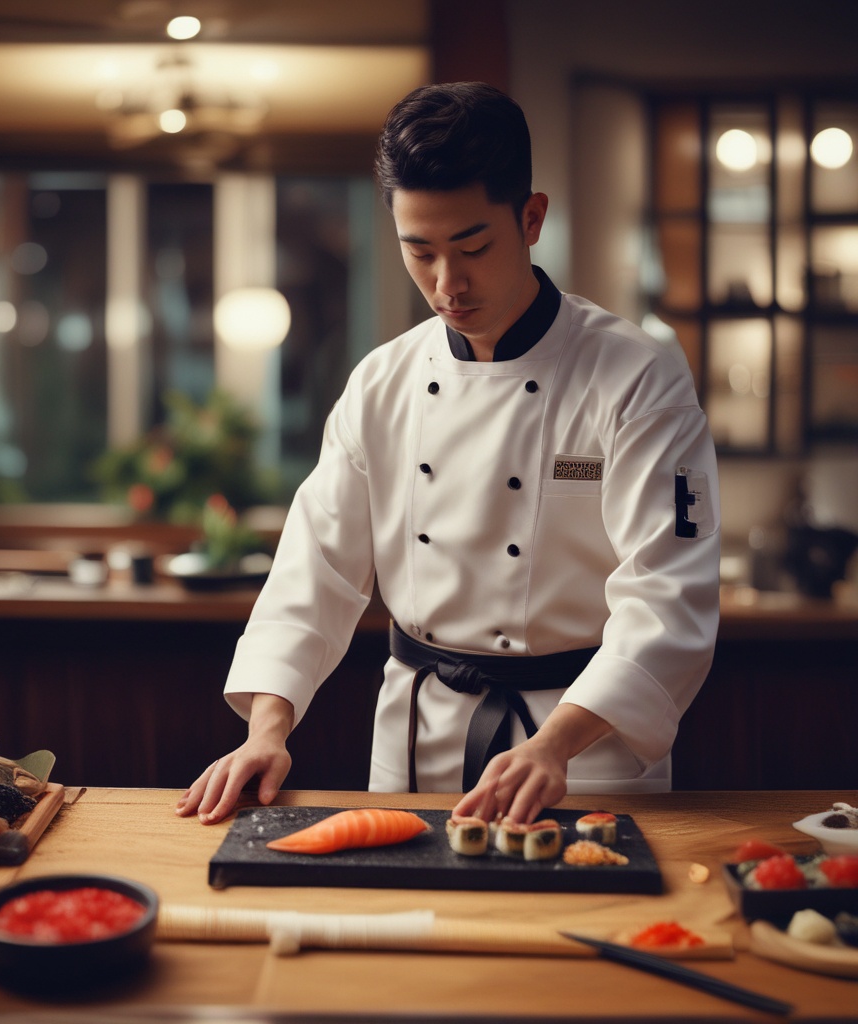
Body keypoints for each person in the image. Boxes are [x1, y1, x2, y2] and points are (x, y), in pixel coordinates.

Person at [176, 82, 720, 828]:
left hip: (585, 746)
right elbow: (314, 573)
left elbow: (669, 595)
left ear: (531, 218)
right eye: (419, 250)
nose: (447, 284)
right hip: (416, 739)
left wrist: (555, 746)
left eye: (473, 247)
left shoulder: (636, 375)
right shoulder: (382, 382)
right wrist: (266, 731)